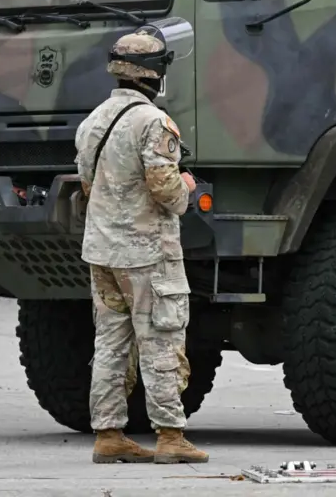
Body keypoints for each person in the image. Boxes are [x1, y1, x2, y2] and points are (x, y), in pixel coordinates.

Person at [75, 29, 208, 466]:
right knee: (162, 340)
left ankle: (108, 434)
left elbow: (89, 184)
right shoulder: (153, 122)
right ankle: (170, 435)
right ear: (154, 73)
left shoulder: (93, 120)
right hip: (147, 253)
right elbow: (165, 190)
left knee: (110, 343)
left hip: (102, 251)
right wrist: (186, 187)